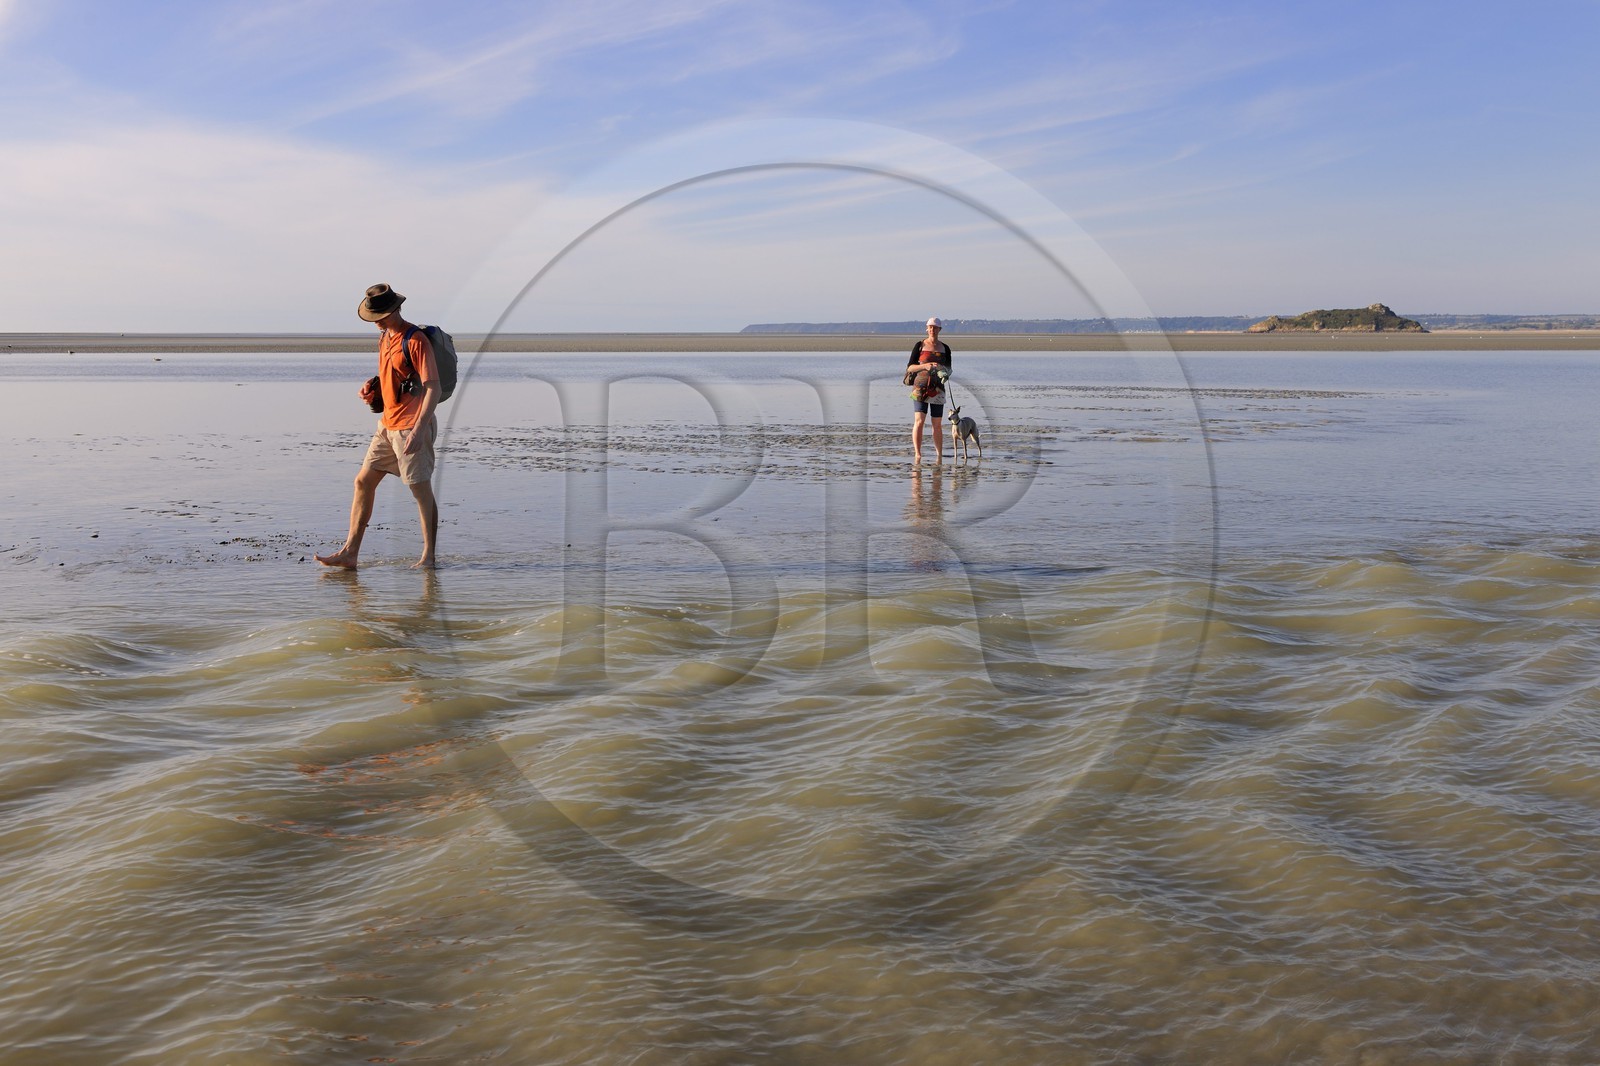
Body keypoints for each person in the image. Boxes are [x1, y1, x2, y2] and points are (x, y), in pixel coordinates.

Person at [316, 283, 440, 570]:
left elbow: (433, 386)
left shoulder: (416, 339)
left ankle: (429, 557)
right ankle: (350, 553)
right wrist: (372, 387)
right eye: (374, 317)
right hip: (387, 425)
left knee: (420, 491)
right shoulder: (385, 338)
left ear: (396, 309)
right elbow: (392, 374)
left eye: (381, 316)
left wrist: (420, 429)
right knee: (363, 481)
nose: (377, 322)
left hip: (412, 425)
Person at [906, 316, 952, 463]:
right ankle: (918, 454)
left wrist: (944, 372)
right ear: (927, 328)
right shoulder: (919, 345)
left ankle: (939, 455)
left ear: (939, 330)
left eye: (935, 327)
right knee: (919, 421)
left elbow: (950, 369)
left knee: (937, 423)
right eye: (930, 327)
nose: (932, 330)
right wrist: (924, 366)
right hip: (920, 388)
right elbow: (910, 367)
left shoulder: (945, 348)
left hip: (938, 389)